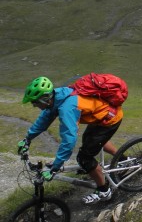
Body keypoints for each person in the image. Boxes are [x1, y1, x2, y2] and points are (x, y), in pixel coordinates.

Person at [17, 76, 123, 204]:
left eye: (35, 102)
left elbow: (69, 140)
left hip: (109, 119)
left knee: (84, 158)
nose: (34, 105)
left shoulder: (66, 108)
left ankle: (104, 191)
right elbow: (44, 120)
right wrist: (27, 139)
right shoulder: (57, 96)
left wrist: (56, 167)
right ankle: (123, 159)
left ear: (45, 99)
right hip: (102, 116)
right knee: (91, 141)